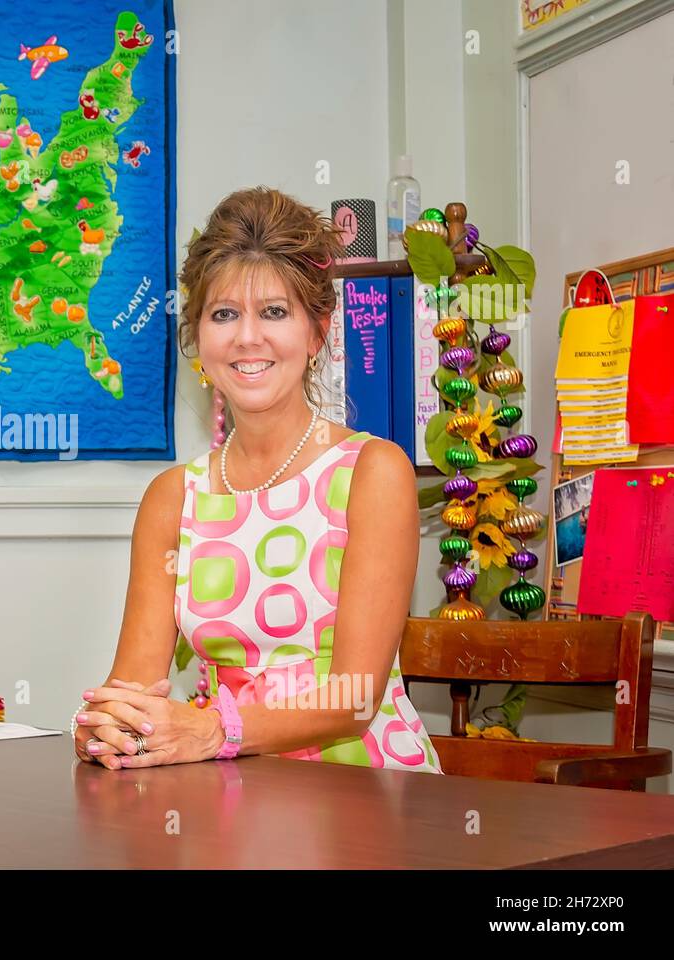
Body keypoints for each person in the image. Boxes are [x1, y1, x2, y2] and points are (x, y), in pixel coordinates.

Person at [72, 187, 442, 773]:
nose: (248, 338)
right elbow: (135, 690)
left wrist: (215, 729)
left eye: (274, 312)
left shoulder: (374, 472)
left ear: (318, 331)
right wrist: (107, 727)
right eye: (224, 314)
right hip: (224, 794)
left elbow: (355, 698)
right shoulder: (172, 498)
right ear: (198, 337)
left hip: (364, 791)